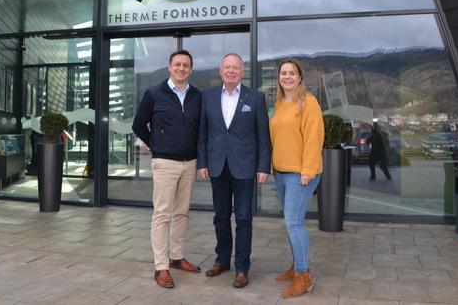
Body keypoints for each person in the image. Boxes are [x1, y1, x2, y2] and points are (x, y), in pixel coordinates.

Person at [197, 53, 271, 289]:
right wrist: (202, 162)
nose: (231, 71)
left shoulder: (256, 98)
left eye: (236, 68)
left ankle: (242, 267)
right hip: (217, 166)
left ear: (242, 71)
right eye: (227, 67)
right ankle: (222, 260)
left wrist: (262, 166)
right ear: (220, 71)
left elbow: (263, 137)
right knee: (220, 217)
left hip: (245, 167)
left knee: (243, 218)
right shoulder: (207, 96)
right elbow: (202, 134)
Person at [132, 49, 202, 289]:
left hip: (190, 162)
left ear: (191, 69)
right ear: (170, 67)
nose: (181, 68)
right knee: (162, 214)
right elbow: (138, 124)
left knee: (182, 212)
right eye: (177, 64)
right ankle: (161, 266)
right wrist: (157, 145)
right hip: (165, 163)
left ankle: (177, 257)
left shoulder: (196, 96)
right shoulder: (154, 93)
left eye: (186, 65)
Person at [269, 59, 324, 299]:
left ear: (300, 77)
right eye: (284, 73)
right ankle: (296, 266)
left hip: (300, 174)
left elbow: (314, 138)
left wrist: (307, 171)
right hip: (281, 173)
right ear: (279, 77)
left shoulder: (308, 103)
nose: (287, 76)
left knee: (294, 223)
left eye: (292, 73)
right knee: (290, 223)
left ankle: (304, 277)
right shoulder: (280, 103)